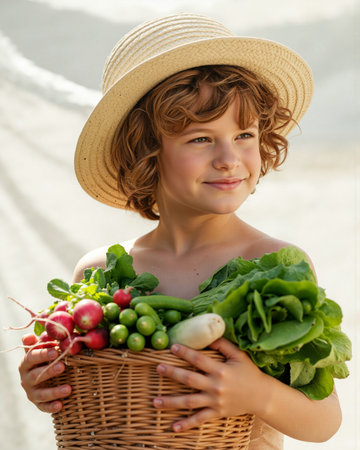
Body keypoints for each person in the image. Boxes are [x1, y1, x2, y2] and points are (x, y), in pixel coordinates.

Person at [18, 13, 342, 449]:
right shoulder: (98, 274)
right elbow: (89, 402)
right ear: (146, 153)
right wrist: (47, 382)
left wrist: (258, 393)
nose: (229, 158)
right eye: (201, 139)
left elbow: (324, 422)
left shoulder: (278, 268)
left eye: (244, 134)